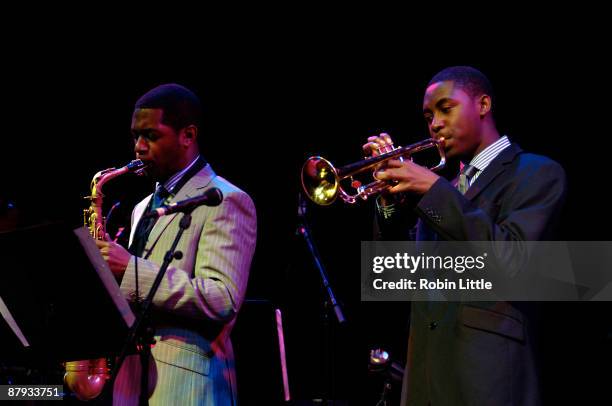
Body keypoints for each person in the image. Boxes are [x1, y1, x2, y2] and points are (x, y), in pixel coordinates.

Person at [363, 66, 566, 406]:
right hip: (424, 382)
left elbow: (511, 262)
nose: (435, 124)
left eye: (446, 108)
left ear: (483, 105)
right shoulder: (441, 190)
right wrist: (388, 205)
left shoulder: (536, 172)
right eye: (429, 116)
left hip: (488, 381)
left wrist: (434, 191)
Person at [96, 83, 257, 405]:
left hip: (185, 386)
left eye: (151, 136)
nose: (139, 147)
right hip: (131, 381)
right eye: (135, 137)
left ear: (188, 135)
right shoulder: (142, 206)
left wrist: (129, 269)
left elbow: (222, 299)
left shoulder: (227, 200)